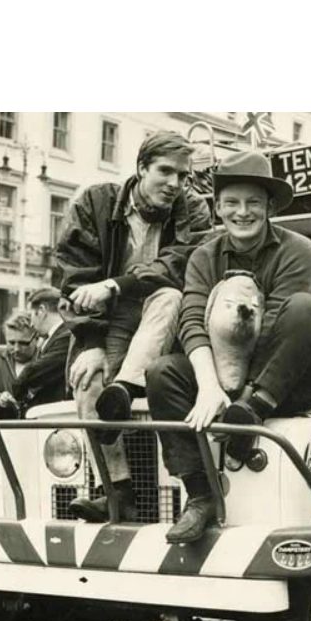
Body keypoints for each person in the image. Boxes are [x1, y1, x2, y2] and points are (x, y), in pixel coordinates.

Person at [145, 150, 311, 544]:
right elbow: (191, 319)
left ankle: (252, 413)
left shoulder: (299, 249)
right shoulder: (202, 255)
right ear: (217, 208)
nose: (241, 212)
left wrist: (245, 399)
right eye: (231, 202)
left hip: (286, 380)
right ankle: (200, 496)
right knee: (161, 372)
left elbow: (274, 325)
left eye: (252, 202)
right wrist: (210, 386)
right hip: (224, 378)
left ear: (269, 206)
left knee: (303, 308)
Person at [55, 130, 211, 522]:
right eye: (165, 171)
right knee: (87, 377)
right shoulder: (95, 202)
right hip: (108, 319)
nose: (175, 183)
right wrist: (89, 341)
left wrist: (114, 285)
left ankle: (124, 388)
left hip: (164, 313)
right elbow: (75, 277)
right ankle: (116, 491)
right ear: (141, 168)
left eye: (183, 175)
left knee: (170, 297)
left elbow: (177, 268)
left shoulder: (193, 210)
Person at [11, 288, 74, 413]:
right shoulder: (57, 336)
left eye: (31, 316)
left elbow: (34, 373)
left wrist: (18, 388)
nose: (31, 324)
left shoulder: (66, 336)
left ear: (41, 311)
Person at [0, 311, 37, 419]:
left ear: (36, 339)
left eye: (23, 343)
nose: (17, 349)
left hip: (36, 427)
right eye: (11, 343)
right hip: (3, 426)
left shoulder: (45, 358)